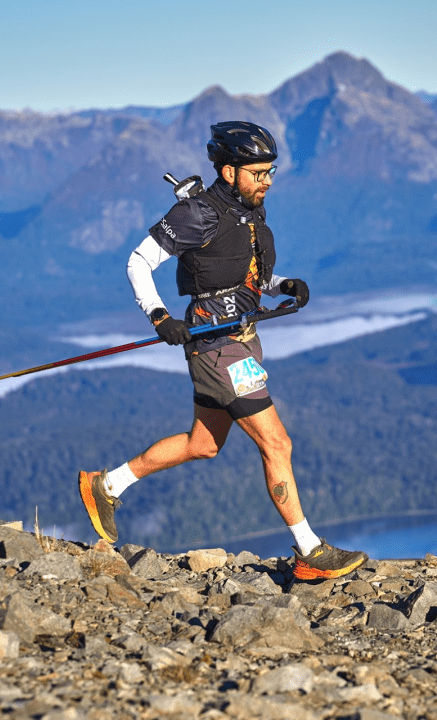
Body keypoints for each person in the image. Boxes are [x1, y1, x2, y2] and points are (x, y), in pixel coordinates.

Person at [78, 120, 368, 580]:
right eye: (258, 173)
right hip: (216, 345)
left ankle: (107, 484)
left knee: (203, 444)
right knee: (277, 442)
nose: (266, 181)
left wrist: (281, 285)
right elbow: (138, 262)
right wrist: (159, 316)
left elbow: (239, 273)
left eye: (270, 172)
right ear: (229, 171)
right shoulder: (197, 214)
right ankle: (309, 552)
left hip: (242, 338)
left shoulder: (249, 209)